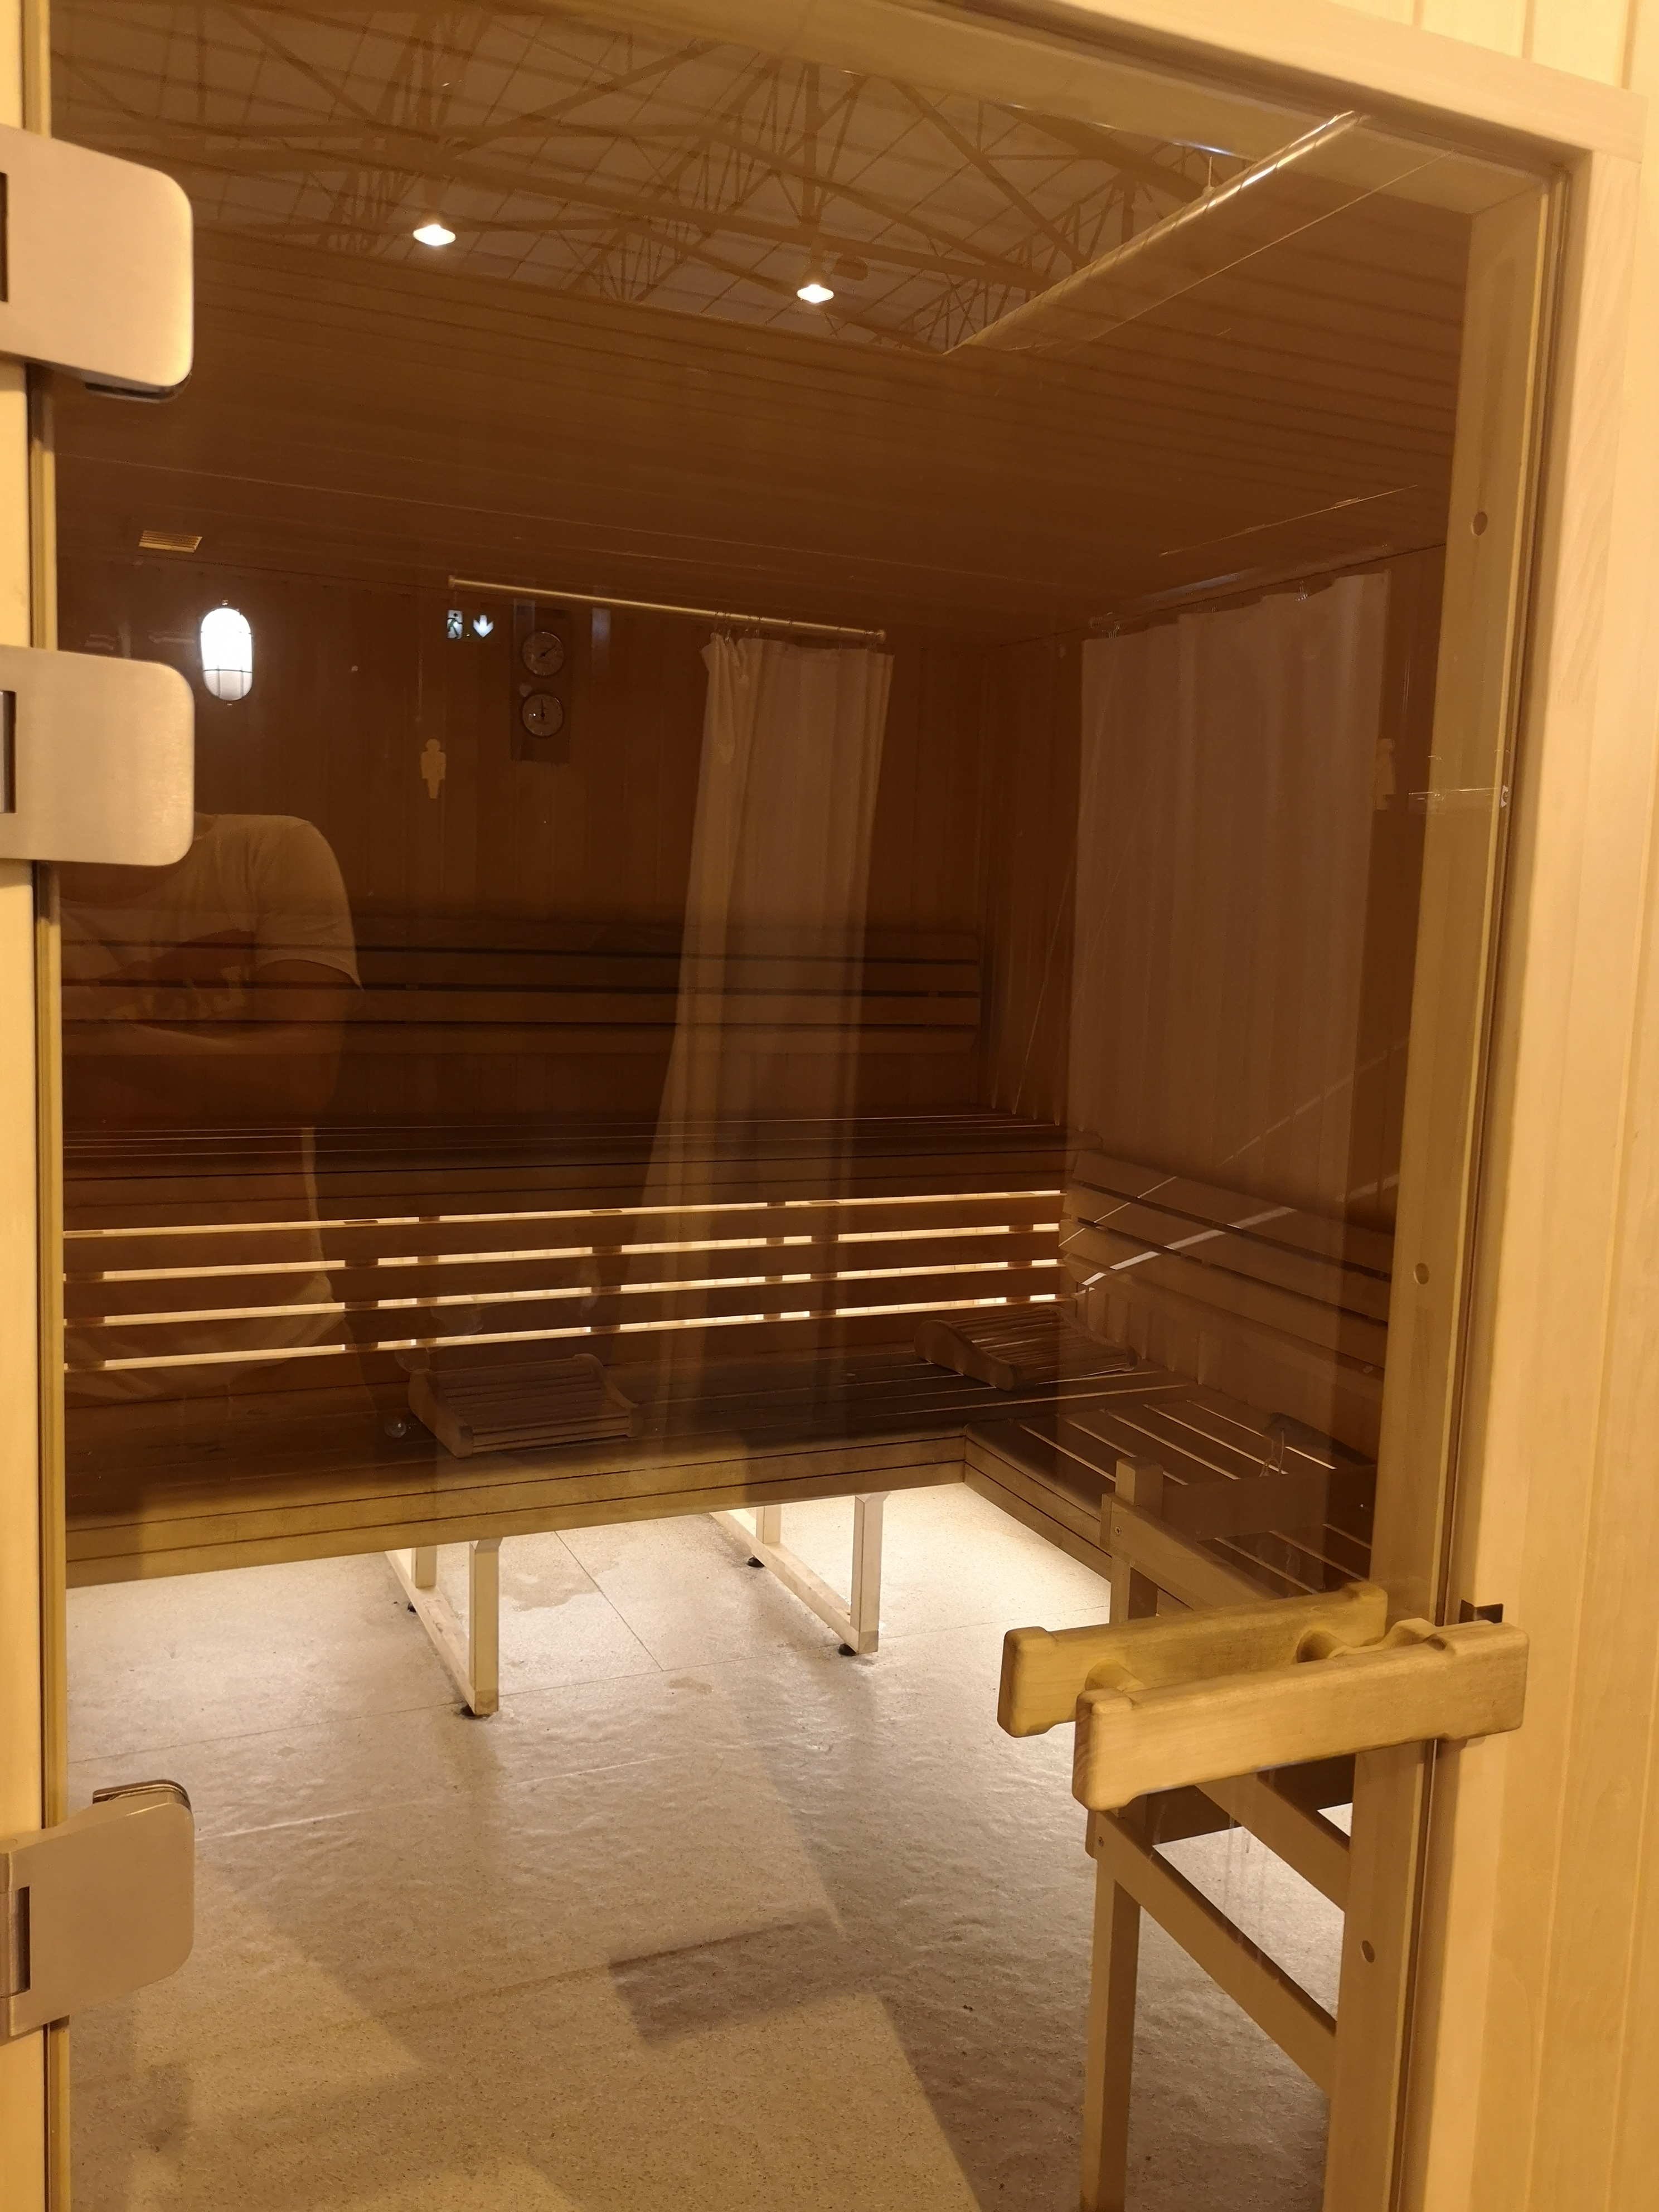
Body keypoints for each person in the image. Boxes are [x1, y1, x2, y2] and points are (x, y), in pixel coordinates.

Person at [60, 812, 361, 1405]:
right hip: (75, 1378)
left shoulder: (269, 855)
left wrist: (85, 1034)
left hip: (284, 1343)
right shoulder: (16, 899)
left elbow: (299, 1079)